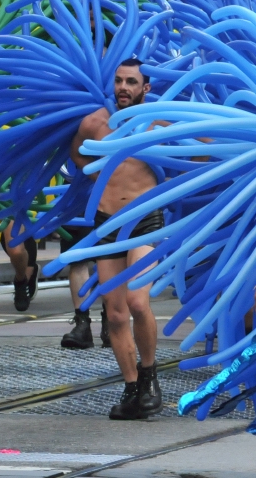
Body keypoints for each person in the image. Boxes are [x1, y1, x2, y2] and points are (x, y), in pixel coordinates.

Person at [70, 58, 163, 419]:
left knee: (138, 303)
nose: (123, 87)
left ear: (146, 88)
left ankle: (150, 376)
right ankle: (131, 388)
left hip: (145, 219)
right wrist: (97, 178)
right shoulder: (94, 122)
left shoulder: (159, 120)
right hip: (106, 221)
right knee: (116, 313)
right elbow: (77, 153)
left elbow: (199, 148)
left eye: (132, 82)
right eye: (119, 81)